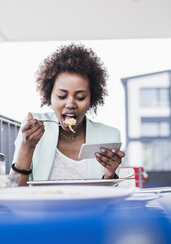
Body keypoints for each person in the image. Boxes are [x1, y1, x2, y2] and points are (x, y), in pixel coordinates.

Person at [10, 44, 125, 186]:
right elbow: (15, 191)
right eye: (62, 96)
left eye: (80, 97)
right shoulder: (31, 128)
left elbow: (108, 200)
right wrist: (27, 147)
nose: (70, 104)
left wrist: (110, 175)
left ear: (91, 99)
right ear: (49, 96)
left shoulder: (109, 136)